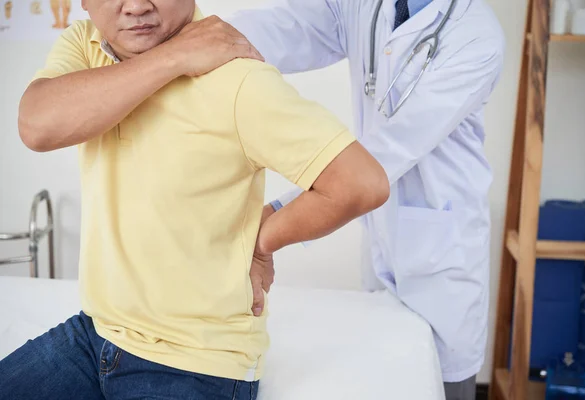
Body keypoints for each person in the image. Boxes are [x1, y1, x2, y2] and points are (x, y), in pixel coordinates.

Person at [0, 0, 390, 398]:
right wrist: (175, 57)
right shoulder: (87, 46)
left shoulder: (235, 79)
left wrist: (264, 240)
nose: (135, 6)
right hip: (97, 331)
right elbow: (36, 125)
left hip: (195, 361)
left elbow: (361, 182)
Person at [224, 0, 506, 399]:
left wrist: (276, 217)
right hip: (381, 227)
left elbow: (388, 152)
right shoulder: (363, 5)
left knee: (445, 383)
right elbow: (288, 27)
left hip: (444, 253)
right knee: (387, 371)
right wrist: (209, 38)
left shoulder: (475, 35)